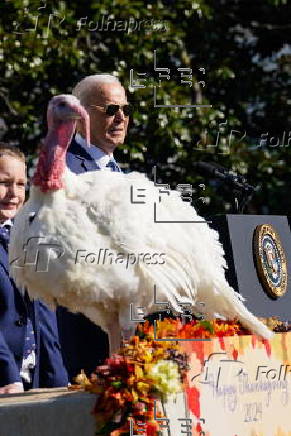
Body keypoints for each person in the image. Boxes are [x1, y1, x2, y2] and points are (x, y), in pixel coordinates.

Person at [57, 74, 131, 381]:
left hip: (126, 321)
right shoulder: (63, 170)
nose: (121, 118)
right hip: (85, 327)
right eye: (111, 109)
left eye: (126, 110)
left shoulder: (123, 174)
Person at [0, 143, 68, 393]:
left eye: (20, 184)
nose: (13, 193)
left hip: (33, 378)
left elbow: (44, 315)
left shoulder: (30, 238)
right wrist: (6, 374)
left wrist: (58, 381)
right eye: (4, 182)